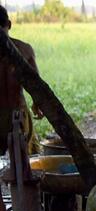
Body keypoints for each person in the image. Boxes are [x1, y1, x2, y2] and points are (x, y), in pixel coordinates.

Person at [0, 5, 43, 156]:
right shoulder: (24, 49)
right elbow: (36, 85)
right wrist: (38, 105)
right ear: (9, 24)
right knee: (25, 165)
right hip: (18, 114)